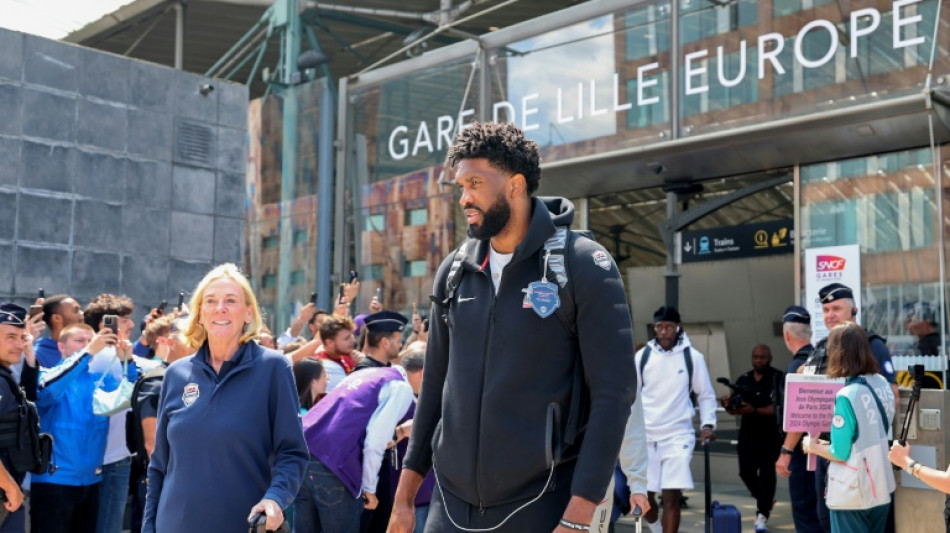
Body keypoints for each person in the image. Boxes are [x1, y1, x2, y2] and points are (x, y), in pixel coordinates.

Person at [389, 122, 637, 533]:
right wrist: (403, 499)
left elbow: (614, 394)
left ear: (516, 185)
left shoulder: (583, 266)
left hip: (541, 506)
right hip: (448, 508)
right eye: (460, 186)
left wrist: (578, 518)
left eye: (475, 183)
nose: (464, 197)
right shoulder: (454, 272)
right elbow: (434, 387)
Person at [142, 263, 309, 533]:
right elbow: (159, 466)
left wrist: (275, 498)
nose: (221, 307)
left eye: (231, 300)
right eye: (211, 301)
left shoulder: (273, 368)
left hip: (242, 525)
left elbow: (292, 452)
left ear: (248, 314)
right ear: (200, 314)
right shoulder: (176, 374)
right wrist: (148, 528)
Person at [799, 283, 898, 532]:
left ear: (853, 310)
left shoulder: (871, 348)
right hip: (857, 467)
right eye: (826, 309)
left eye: (836, 308)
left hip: (852, 468)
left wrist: (812, 446)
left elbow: (845, 446)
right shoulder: (821, 348)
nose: (830, 315)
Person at [298, 355, 424, 533]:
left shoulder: (368, 374)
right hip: (334, 464)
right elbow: (375, 441)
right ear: (423, 373)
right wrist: (369, 488)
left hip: (304, 452)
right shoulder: (401, 387)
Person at [31, 322, 125, 533]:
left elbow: (127, 398)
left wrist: (124, 360)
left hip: (91, 481)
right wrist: (87, 352)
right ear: (61, 347)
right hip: (54, 482)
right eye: (79, 341)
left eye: (90, 340)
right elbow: (47, 394)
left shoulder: (101, 380)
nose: (88, 345)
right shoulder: (46, 375)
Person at [636, 306, 717, 533]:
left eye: (669, 326)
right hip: (646, 434)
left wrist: (707, 425)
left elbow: (706, 395)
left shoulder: (693, 357)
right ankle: (655, 527)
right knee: (645, 496)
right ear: (654, 328)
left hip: (678, 434)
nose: (664, 331)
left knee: (671, 495)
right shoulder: (642, 357)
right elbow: (630, 396)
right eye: (659, 326)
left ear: (677, 327)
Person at [83, 293, 142, 533]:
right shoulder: (102, 357)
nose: (131, 324)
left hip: (100, 458)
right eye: (125, 319)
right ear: (104, 325)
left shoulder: (87, 357)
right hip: (111, 459)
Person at [721, 344, 782, 532]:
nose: (759, 360)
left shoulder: (778, 378)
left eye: (762, 357)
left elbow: (782, 408)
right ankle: (766, 500)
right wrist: (728, 405)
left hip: (770, 437)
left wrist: (755, 410)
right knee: (745, 472)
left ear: (770, 358)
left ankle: (762, 515)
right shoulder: (744, 379)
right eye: (755, 357)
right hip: (747, 435)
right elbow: (736, 407)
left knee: (766, 476)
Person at [774, 305, 824, 533]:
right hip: (823, 450)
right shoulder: (822, 359)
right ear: (810, 333)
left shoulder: (798, 367)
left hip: (802, 452)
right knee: (820, 512)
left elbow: (799, 416)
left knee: (805, 514)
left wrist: (785, 452)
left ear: (786, 335)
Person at [0, 304, 41, 533]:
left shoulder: (5, 377)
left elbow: (27, 400)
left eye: (22, 337)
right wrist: (11, 487)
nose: (19, 344)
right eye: (11, 337)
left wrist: (30, 355)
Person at [34, 294, 84, 368]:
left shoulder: (88, 349)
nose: (82, 314)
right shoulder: (38, 355)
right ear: (57, 318)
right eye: (76, 310)